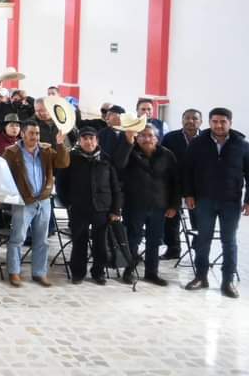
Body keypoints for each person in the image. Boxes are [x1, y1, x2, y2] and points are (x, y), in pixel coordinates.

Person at [182, 107, 249, 299]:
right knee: (203, 239)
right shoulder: (197, 144)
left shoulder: (242, 145)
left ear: (230, 123)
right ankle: (201, 277)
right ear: (209, 122)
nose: (219, 125)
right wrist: (188, 194)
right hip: (204, 200)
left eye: (223, 122)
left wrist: (248, 200)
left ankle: (227, 281)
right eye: (215, 122)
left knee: (229, 242)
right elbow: (187, 171)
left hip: (231, 202)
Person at [4, 119, 70, 287]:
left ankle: (39, 273)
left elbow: (63, 163)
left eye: (37, 133)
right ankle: (14, 272)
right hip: (23, 201)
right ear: (23, 134)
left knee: (42, 240)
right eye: (32, 133)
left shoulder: (46, 150)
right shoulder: (11, 152)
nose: (35, 136)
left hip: (44, 200)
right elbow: (4, 175)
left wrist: (61, 144)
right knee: (18, 238)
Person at [113, 124, 178, 285]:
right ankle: (129, 271)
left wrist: (174, 205)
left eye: (150, 135)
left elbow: (176, 182)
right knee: (132, 239)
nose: (147, 139)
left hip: (159, 205)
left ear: (157, 138)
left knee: (154, 241)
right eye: (142, 135)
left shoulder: (167, 155)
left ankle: (151, 273)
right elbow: (118, 166)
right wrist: (128, 144)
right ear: (137, 137)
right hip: (134, 205)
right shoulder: (130, 151)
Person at [56, 127, 121, 284]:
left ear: (97, 140)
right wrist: (68, 204)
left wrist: (115, 209)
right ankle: (78, 273)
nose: (88, 141)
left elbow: (115, 186)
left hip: (102, 208)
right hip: (79, 208)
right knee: (79, 241)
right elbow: (61, 184)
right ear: (79, 141)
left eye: (91, 138)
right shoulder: (70, 158)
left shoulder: (106, 159)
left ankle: (98, 272)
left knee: (100, 243)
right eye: (84, 138)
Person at [160, 108, 203, 259]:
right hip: (174, 184)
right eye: (187, 118)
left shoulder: (207, 138)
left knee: (198, 219)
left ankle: (199, 249)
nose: (190, 121)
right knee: (171, 218)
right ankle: (173, 249)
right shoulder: (170, 138)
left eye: (194, 118)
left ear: (201, 122)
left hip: (198, 186)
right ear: (182, 120)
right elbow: (162, 159)